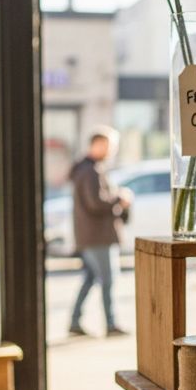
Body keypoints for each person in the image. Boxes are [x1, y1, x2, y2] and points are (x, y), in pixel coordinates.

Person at [68, 126, 131, 337]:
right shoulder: (90, 171)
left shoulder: (88, 169)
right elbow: (95, 203)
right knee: (108, 279)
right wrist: (119, 199)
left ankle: (75, 321)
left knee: (90, 278)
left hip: (92, 236)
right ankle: (111, 324)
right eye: (110, 146)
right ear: (97, 144)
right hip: (98, 237)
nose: (112, 150)